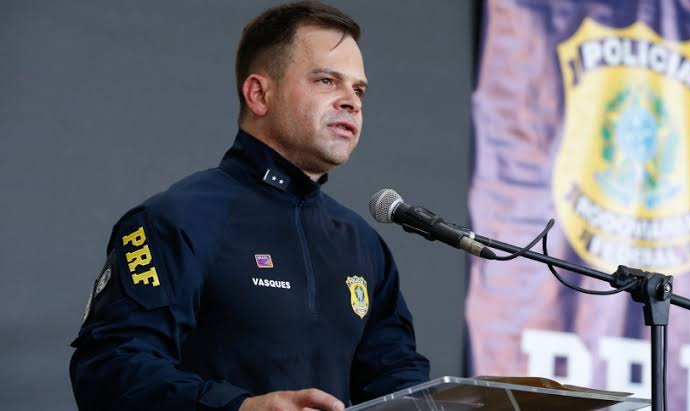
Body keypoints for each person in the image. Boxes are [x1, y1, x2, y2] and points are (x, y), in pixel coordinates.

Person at [69, 2, 430, 410]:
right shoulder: (176, 220)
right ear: (259, 94)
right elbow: (109, 370)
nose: (352, 102)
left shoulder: (362, 244)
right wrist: (240, 407)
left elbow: (398, 381)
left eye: (358, 90)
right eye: (327, 81)